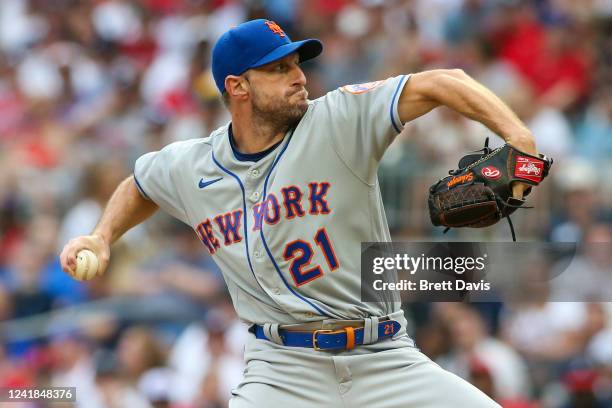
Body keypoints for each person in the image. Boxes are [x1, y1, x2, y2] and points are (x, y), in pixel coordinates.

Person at [61, 19, 538, 407]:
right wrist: (102, 236)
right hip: (281, 373)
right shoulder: (192, 165)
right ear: (238, 86)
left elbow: (442, 82)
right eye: (279, 68)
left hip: (384, 358)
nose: (299, 76)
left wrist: (521, 142)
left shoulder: (338, 120)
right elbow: (140, 183)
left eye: (296, 63)